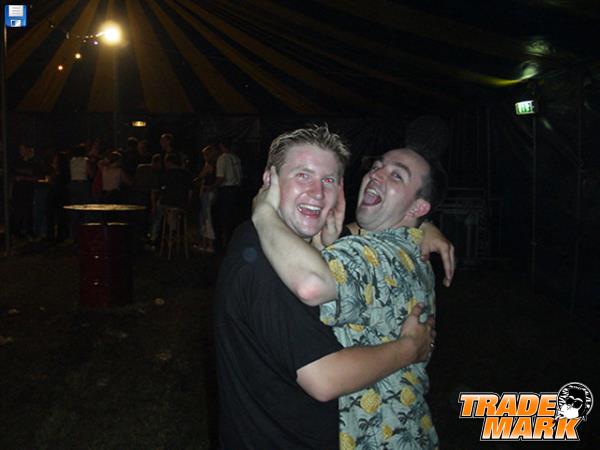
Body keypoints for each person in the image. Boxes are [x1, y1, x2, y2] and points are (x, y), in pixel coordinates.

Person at [214, 126, 438, 449]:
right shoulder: (265, 264)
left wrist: (424, 226)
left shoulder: (295, 249)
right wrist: (409, 348)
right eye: (303, 175)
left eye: (329, 180)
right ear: (269, 180)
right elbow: (323, 378)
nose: (317, 192)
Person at [213, 141, 242, 249]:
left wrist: (212, 187)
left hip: (226, 190)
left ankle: (221, 244)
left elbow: (221, 177)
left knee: (222, 217)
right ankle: (233, 242)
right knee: (232, 217)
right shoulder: (236, 158)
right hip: (236, 189)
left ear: (221, 146)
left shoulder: (222, 158)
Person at [193, 144, 218, 253]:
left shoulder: (209, 165)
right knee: (205, 217)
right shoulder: (216, 165)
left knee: (206, 218)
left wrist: (194, 181)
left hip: (207, 193)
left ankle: (209, 244)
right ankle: (205, 243)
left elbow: (201, 177)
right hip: (210, 193)